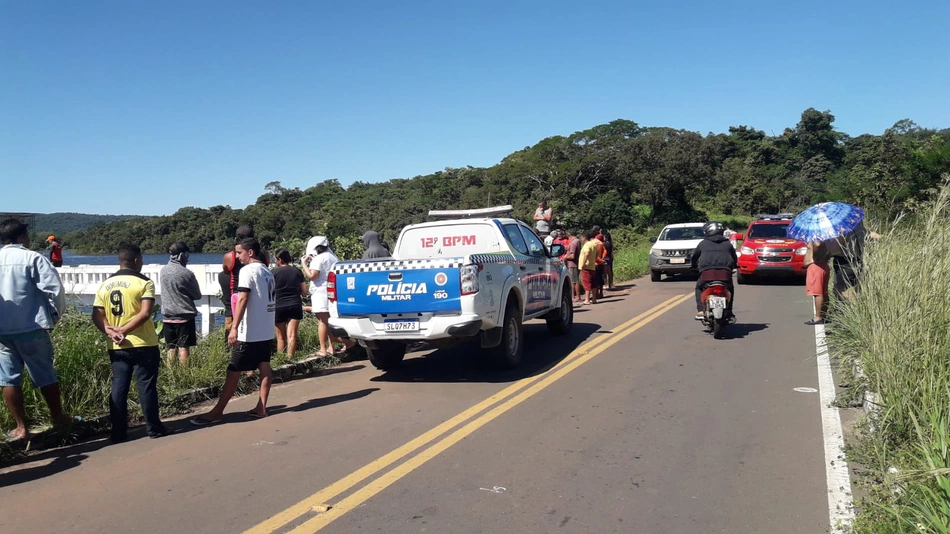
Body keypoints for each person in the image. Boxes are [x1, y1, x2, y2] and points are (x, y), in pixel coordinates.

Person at [0, 219, 75, 441]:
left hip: (3, 332)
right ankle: (58, 418)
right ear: (21, 237)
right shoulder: (33, 258)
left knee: (9, 379)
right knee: (44, 375)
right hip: (32, 327)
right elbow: (55, 290)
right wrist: (54, 317)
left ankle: (21, 428)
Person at [92, 243, 172, 442]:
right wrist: (124, 330)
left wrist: (110, 331)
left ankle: (118, 432)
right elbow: (145, 313)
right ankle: (153, 428)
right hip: (143, 343)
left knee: (119, 386)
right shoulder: (144, 283)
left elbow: (96, 315)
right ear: (136, 260)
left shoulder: (105, 284)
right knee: (146, 385)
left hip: (116, 346)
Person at [192, 238, 275, 425]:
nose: (237, 257)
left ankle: (218, 411)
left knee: (233, 369)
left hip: (250, 331)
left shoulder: (247, 271)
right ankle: (262, 407)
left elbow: (244, 299)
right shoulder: (267, 271)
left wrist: (234, 327)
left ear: (250, 252)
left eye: (239, 253)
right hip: (265, 328)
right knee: (264, 365)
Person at [301, 235, 355, 357]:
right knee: (329, 321)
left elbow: (312, 275)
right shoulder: (333, 257)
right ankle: (332, 347)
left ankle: (322, 349)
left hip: (320, 292)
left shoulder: (319, 259)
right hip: (332, 291)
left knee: (322, 321)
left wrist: (303, 264)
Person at [159, 241, 202, 366]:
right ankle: (184, 375)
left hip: (167, 317)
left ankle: (170, 375)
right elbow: (197, 295)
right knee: (184, 348)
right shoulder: (186, 273)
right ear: (182, 255)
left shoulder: (163, 271)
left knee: (171, 349)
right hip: (184, 316)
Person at [222, 225, 270, 332]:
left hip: (237, 297)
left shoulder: (230, 256)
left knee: (234, 331)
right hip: (259, 297)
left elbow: (226, 271)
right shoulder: (264, 254)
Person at [691, 221, 738, 321]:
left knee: (699, 288)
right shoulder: (728, 244)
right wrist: (734, 266)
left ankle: (700, 310)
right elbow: (734, 259)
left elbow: (694, 257)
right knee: (730, 289)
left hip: (707, 275)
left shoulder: (703, 244)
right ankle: (729, 310)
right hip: (725, 275)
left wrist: (693, 266)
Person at [272, 249, 307, 359]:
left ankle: (281, 359)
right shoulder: (296, 271)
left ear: (279, 260)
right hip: (294, 304)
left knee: (280, 337)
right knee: (292, 335)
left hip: (278, 305)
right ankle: (290, 358)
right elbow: (304, 290)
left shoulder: (273, 272)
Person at [804, 240, 831, 325]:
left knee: (818, 293)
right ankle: (823, 316)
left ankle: (818, 317)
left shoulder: (815, 238)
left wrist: (814, 257)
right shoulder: (826, 238)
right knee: (824, 292)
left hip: (816, 266)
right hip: (823, 265)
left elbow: (817, 244)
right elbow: (830, 253)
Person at [579, 230, 600, 305]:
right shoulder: (593, 244)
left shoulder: (586, 245)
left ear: (584, 238)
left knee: (586, 283)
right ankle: (594, 299)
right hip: (592, 266)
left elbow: (587, 254)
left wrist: (583, 264)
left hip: (586, 267)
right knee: (593, 283)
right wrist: (594, 259)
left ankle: (587, 299)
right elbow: (597, 252)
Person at [563, 229, 582, 302]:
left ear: (570, 235)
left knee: (574, 281)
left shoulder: (573, 243)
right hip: (576, 263)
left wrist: (565, 257)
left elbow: (572, 255)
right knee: (574, 280)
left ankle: (577, 296)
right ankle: (575, 296)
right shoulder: (577, 241)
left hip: (572, 264)